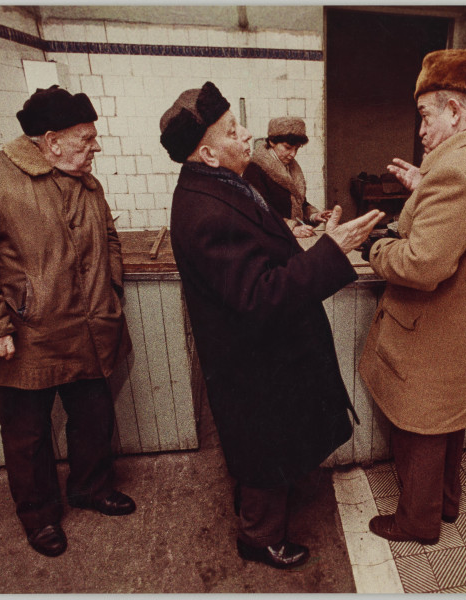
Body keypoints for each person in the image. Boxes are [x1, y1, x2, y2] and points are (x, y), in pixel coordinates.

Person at [159, 82, 383, 569]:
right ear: (208, 154)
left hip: (260, 354)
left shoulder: (222, 185)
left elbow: (259, 248)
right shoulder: (205, 211)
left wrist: (313, 235)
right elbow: (259, 297)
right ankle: (258, 538)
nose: (246, 137)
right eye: (232, 131)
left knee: (270, 441)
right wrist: (333, 250)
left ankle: (263, 512)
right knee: (262, 445)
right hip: (251, 361)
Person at [0, 85, 135, 558]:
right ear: (51, 141)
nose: (96, 147)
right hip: (27, 336)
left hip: (89, 329)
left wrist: (110, 293)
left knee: (93, 416)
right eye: (87, 138)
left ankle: (90, 487)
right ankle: (39, 515)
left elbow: (108, 239)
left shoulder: (88, 183)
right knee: (26, 434)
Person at [357, 49, 466, 545]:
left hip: (431, 330)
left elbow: (421, 265)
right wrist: (424, 184)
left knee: (421, 429)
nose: (422, 130)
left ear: (455, 112)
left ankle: (417, 522)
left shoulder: (456, 173)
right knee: (449, 422)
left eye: (427, 116)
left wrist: (376, 246)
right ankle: (446, 504)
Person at [243, 116, 332, 238]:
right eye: (288, 148)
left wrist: (314, 216)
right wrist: (291, 228)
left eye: (296, 148)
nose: (293, 154)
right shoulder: (254, 169)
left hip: (286, 239)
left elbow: (299, 203)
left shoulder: (291, 167)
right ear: (272, 142)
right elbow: (259, 212)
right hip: (268, 240)